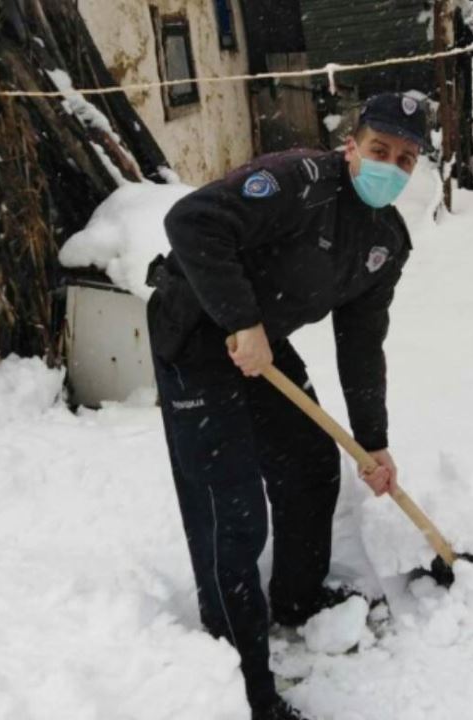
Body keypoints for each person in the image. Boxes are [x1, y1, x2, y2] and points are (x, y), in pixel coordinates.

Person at [145, 92, 425, 720]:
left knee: (310, 466)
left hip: (259, 346)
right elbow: (192, 221)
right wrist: (240, 319)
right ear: (351, 146)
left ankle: (296, 600)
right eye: (380, 150)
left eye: (406, 160)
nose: (391, 166)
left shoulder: (386, 241)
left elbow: (361, 344)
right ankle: (239, 678)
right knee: (231, 510)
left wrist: (373, 441)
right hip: (194, 330)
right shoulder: (299, 183)